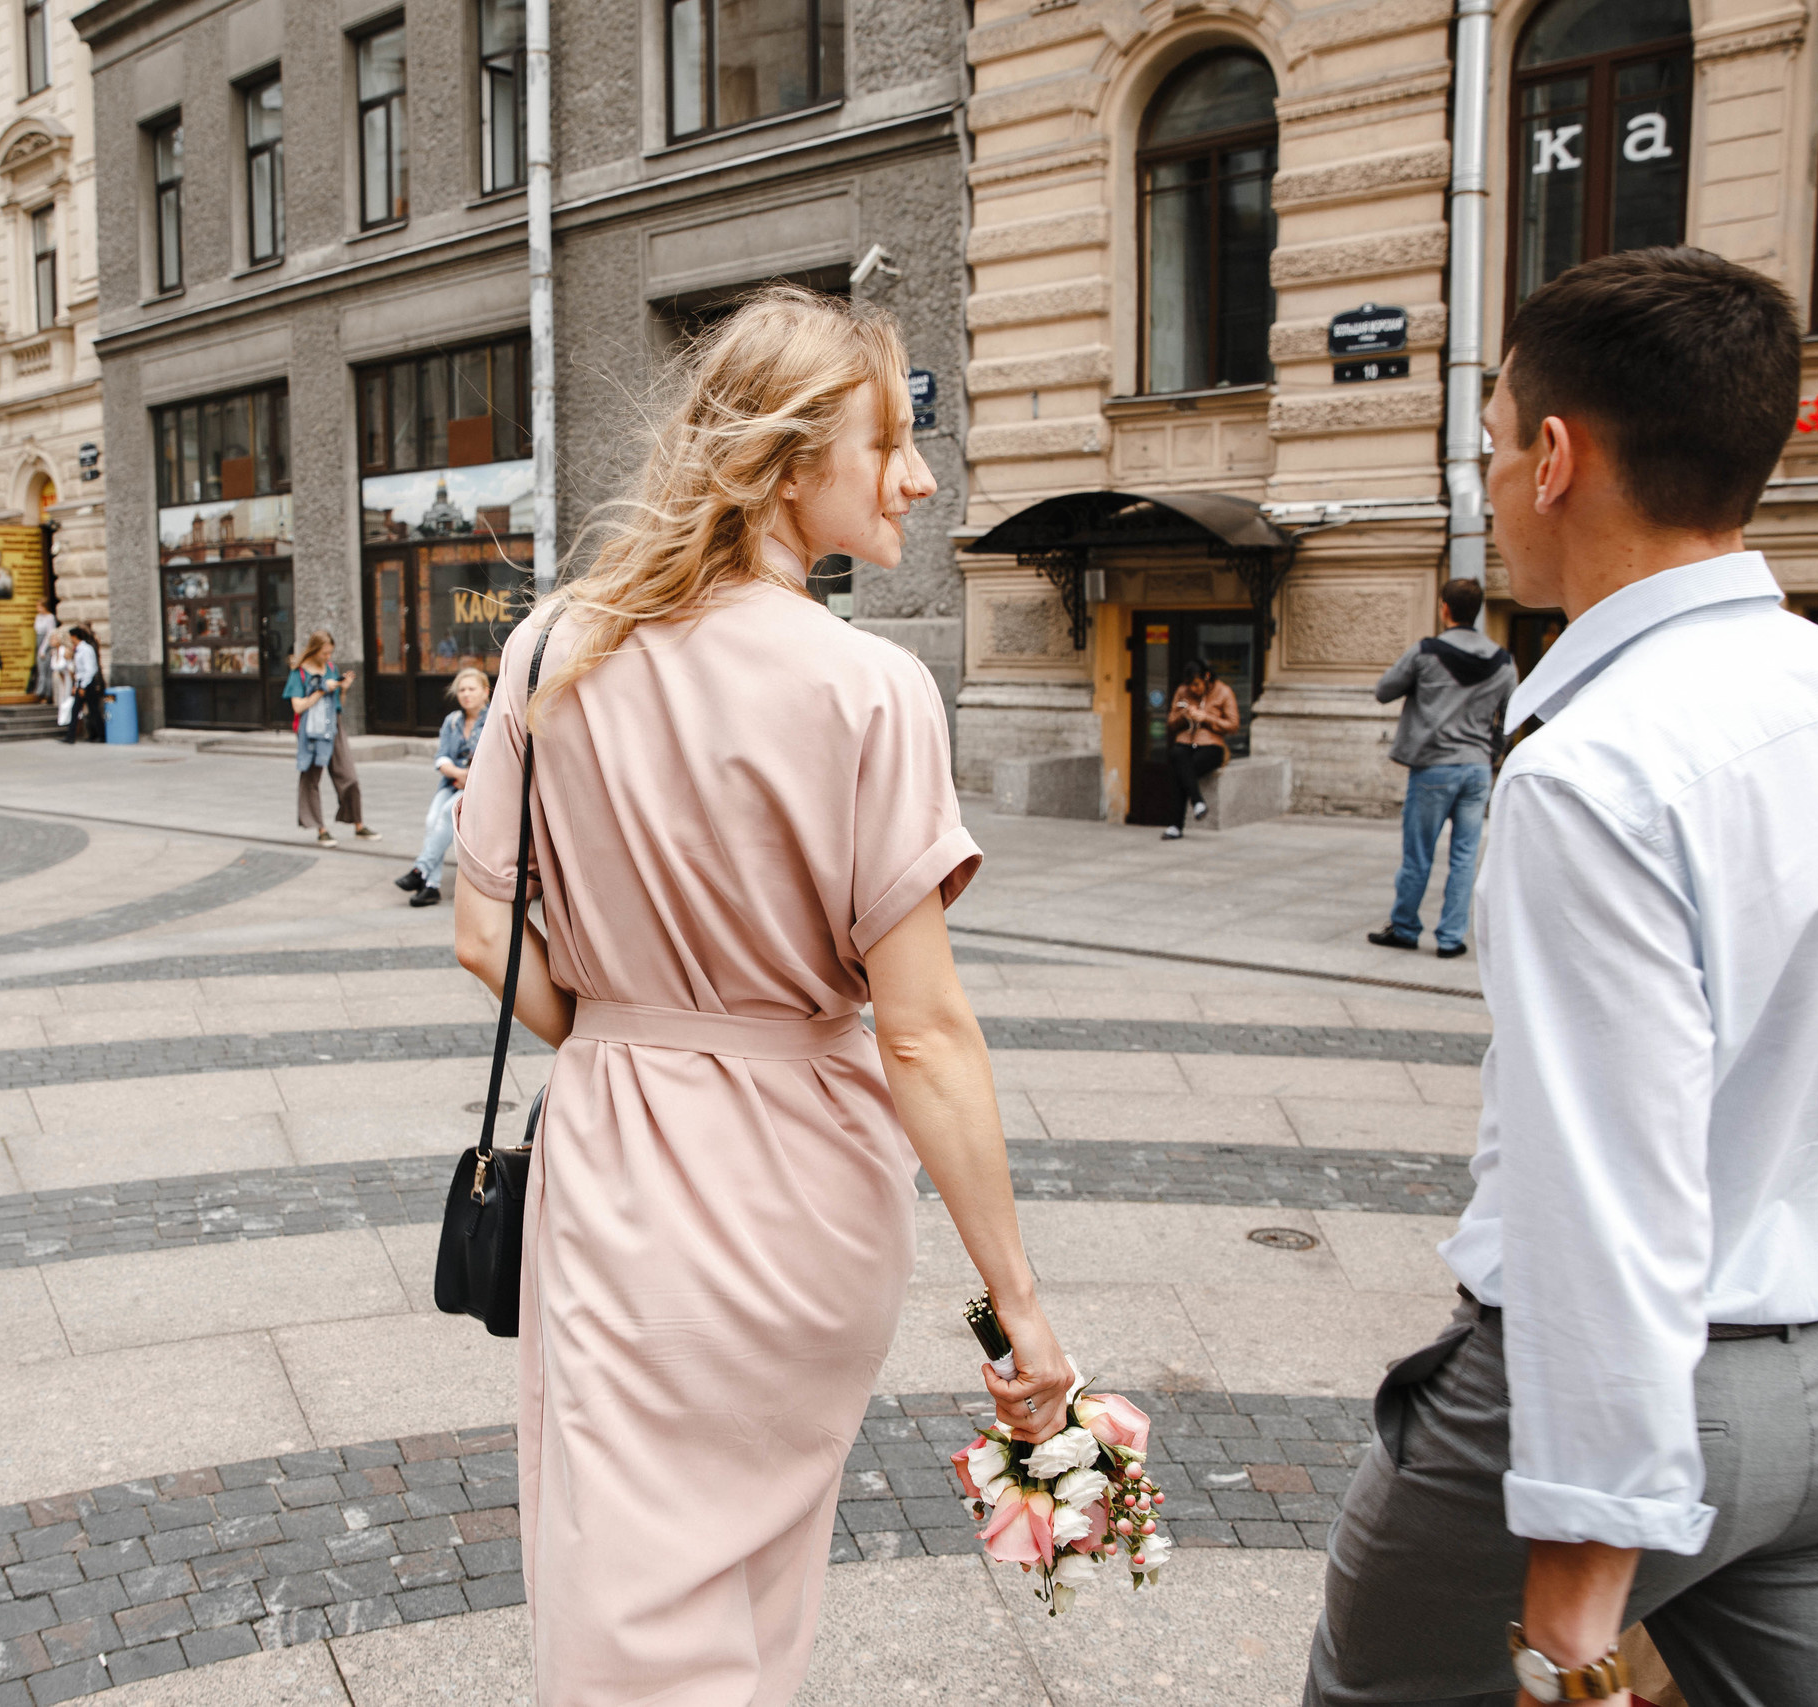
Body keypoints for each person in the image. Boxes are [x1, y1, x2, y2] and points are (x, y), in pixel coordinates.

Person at [1304, 249, 1818, 1707]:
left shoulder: (1598, 769)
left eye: (1493, 447)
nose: (1489, 485)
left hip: (1629, 1400)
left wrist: (1580, 1568)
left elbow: (1604, 1184)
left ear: (1555, 458)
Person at [451, 287, 1073, 1704]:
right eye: (890, 442)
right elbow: (922, 1031)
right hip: (811, 1185)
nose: (918, 477)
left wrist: (628, 1034)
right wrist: (1016, 1302)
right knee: (763, 1575)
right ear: (790, 463)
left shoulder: (554, 649)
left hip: (618, 1160)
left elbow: (484, 935)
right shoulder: (873, 686)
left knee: (621, 1584)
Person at [1365, 578, 1516, 960]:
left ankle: (1404, 928)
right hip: (1477, 768)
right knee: (1465, 857)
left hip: (1433, 767)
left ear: (1444, 608)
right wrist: (1492, 752)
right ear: (1476, 611)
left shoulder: (1426, 652)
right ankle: (1450, 938)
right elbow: (1510, 716)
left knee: (1418, 855)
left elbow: (1383, 691)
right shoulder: (1503, 661)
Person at [396, 665, 490, 907]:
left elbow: (495, 759)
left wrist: (469, 777)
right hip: (451, 782)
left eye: (471, 689)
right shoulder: (453, 721)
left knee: (448, 814)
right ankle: (431, 885)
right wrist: (458, 773)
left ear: (485, 691)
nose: (466, 694)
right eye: (462, 690)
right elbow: (441, 757)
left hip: (480, 787)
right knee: (431, 821)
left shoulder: (493, 720)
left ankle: (421, 871)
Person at [283, 632, 378, 846]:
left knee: (349, 776)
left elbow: (338, 705)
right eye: (324, 653)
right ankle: (321, 829)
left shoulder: (331, 668)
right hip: (311, 731)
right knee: (311, 779)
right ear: (314, 650)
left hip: (334, 727)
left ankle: (358, 824)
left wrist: (343, 690)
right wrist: (321, 690)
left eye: (330, 653)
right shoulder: (299, 673)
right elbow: (298, 707)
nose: (328, 657)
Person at [1159, 657, 1237, 840]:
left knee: (1182, 771)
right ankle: (1198, 802)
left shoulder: (1223, 692)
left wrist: (1206, 718)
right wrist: (1184, 715)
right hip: (1186, 742)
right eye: (1190, 685)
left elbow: (1233, 725)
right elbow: (1171, 722)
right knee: (1177, 754)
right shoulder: (1182, 692)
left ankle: (1176, 825)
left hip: (1211, 745)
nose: (1193, 689)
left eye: (1196, 684)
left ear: (1206, 677)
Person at [63, 625, 103, 744]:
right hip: (82, 682)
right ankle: (71, 736)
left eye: (71, 636)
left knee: (93, 710)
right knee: (77, 710)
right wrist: (76, 685)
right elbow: (78, 670)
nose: (70, 639)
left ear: (75, 636)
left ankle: (101, 735)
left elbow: (90, 669)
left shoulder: (86, 649)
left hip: (88, 683)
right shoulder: (78, 650)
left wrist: (83, 686)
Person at [48, 631, 75, 735]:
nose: (51, 641)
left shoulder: (65, 651)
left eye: (54, 638)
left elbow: (71, 668)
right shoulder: (55, 652)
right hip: (60, 680)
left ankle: (70, 726)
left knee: (68, 701)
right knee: (62, 702)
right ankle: (64, 724)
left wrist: (74, 684)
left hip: (68, 680)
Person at [30, 599, 57, 699]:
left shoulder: (50, 617)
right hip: (39, 641)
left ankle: (47, 693)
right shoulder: (38, 617)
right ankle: (40, 691)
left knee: (47, 670)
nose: (38, 608)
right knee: (41, 669)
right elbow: (37, 629)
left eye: (39, 606)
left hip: (46, 644)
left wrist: (43, 649)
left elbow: (49, 634)